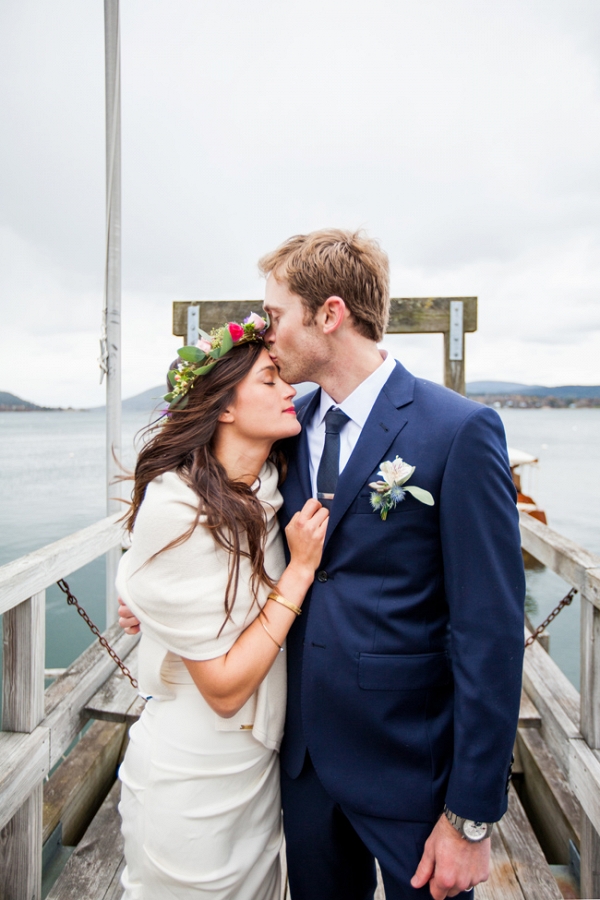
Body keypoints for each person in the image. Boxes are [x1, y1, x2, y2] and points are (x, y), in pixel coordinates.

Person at [120, 228, 525, 900]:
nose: (264, 332)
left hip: (410, 769)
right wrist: (154, 604)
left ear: (329, 315)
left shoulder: (458, 430)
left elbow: (490, 631)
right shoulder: (284, 423)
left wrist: (471, 815)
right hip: (299, 767)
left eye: (275, 316)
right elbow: (209, 519)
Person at [115, 318, 329, 900]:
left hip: (256, 768)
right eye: (270, 380)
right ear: (224, 408)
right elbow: (227, 687)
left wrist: (139, 595)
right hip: (194, 770)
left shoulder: (265, 485)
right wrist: (300, 572)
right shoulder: (175, 506)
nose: (290, 391)